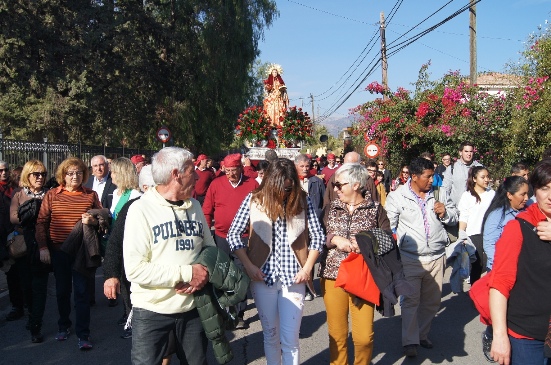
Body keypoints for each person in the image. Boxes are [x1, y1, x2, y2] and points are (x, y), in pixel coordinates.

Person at [226, 158, 325, 365]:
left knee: (290, 339)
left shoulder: (302, 200)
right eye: (282, 188)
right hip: (262, 278)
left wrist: (307, 268)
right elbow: (233, 234)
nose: (285, 194)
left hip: (295, 278)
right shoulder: (254, 200)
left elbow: (318, 237)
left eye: (289, 189)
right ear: (271, 183)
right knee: (271, 337)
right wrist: (249, 265)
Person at [123, 147, 215, 365]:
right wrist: (187, 272)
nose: (197, 176)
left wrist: (203, 273)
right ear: (176, 174)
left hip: (193, 310)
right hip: (152, 312)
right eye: (192, 171)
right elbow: (135, 269)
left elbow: (210, 250)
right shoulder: (140, 210)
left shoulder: (194, 207)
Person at [385, 157, 458, 357]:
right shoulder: (397, 196)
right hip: (410, 258)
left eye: (433, 175)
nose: (431, 180)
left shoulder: (440, 192)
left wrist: (445, 213)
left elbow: (455, 215)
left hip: (437, 257)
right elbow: (388, 224)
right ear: (414, 177)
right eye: (428, 176)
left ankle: (421, 334)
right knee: (410, 301)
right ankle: (410, 342)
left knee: (432, 302)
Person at [319, 163, 390, 365]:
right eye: (334, 185)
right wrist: (333, 239)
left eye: (340, 185)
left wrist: (366, 242)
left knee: (363, 337)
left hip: (363, 278)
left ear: (356, 184)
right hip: (332, 277)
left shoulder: (375, 209)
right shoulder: (329, 209)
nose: (335, 189)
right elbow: (316, 236)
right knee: (337, 335)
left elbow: (387, 238)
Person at [35, 157, 102, 350]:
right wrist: (43, 247)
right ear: (63, 175)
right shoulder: (53, 194)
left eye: (79, 172)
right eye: (70, 173)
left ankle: (84, 334)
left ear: (84, 175)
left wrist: (93, 222)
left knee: (81, 293)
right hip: (59, 251)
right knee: (63, 291)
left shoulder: (90, 194)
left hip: (81, 252)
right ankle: (63, 325)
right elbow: (41, 222)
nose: (75, 176)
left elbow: (102, 219)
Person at [489, 159, 551, 365]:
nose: (550, 196)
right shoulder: (518, 228)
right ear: (535, 191)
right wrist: (499, 336)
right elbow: (499, 283)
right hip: (528, 335)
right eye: (544, 188)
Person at [202, 153, 259, 329]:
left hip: (243, 238)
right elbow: (207, 210)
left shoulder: (252, 184)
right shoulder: (216, 184)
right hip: (221, 236)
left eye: (234, 171)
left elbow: (260, 210)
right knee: (223, 274)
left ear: (241, 168)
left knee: (241, 273)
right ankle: (227, 309)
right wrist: (206, 234)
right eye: (227, 171)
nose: (230, 175)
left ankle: (239, 313)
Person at [479, 176, 529, 362]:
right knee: (500, 311)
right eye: (522, 194)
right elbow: (490, 244)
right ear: (509, 195)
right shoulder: (498, 215)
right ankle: (491, 334)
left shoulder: (527, 212)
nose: (526, 198)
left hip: (523, 272)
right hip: (501, 271)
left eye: (527, 194)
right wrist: (501, 266)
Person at [104, 165, 154, 340]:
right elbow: (116, 238)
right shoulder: (131, 203)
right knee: (129, 290)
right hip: (128, 252)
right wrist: (111, 274)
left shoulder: (135, 197)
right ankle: (132, 322)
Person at [9, 160, 50, 342]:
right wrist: (31, 213)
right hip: (24, 247)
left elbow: (53, 218)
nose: (40, 177)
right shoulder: (18, 194)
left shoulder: (49, 194)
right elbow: (13, 218)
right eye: (36, 174)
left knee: (40, 287)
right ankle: (32, 315)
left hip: (42, 245)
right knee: (27, 286)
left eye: (43, 174)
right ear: (27, 175)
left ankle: (36, 325)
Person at [457, 166, 495, 285]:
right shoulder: (467, 196)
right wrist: (461, 235)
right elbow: (464, 217)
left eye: (487, 177)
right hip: (474, 234)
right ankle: (475, 291)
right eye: (483, 177)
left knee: (491, 262)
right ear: (474, 179)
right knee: (477, 265)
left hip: (490, 233)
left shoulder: (492, 194)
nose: (486, 180)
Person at [441, 141, 483, 206]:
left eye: (471, 151)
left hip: (475, 209)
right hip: (457, 210)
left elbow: (485, 188)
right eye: (466, 151)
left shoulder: (480, 168)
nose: (469, 154)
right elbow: (445, 190)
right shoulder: (452, 168)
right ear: (460, 152)